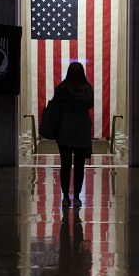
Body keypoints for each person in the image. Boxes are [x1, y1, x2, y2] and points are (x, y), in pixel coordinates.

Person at [52, 62, 94, 208]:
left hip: (65, 131)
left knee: (65, 166)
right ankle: (76, 197)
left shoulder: (62, 89)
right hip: (81, 131)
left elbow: (55, 106)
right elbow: (90, 105)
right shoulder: (87, 89)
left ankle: (65, 197)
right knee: (79, 166)